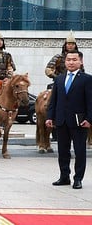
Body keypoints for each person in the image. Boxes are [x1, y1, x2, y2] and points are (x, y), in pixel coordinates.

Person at [46, 50, 92, 190]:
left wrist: (89, 119)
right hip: (61, 120)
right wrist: (50, 117)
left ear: (80, 61)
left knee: (79, 151)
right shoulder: (59, 79)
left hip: (79, 121)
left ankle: (78, 179)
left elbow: (90, 102)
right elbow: (54, 100)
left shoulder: (87, 79)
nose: (71, 62)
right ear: (65, 62)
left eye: (74, 60)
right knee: (63, 151)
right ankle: (64, 176)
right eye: (68, 60)